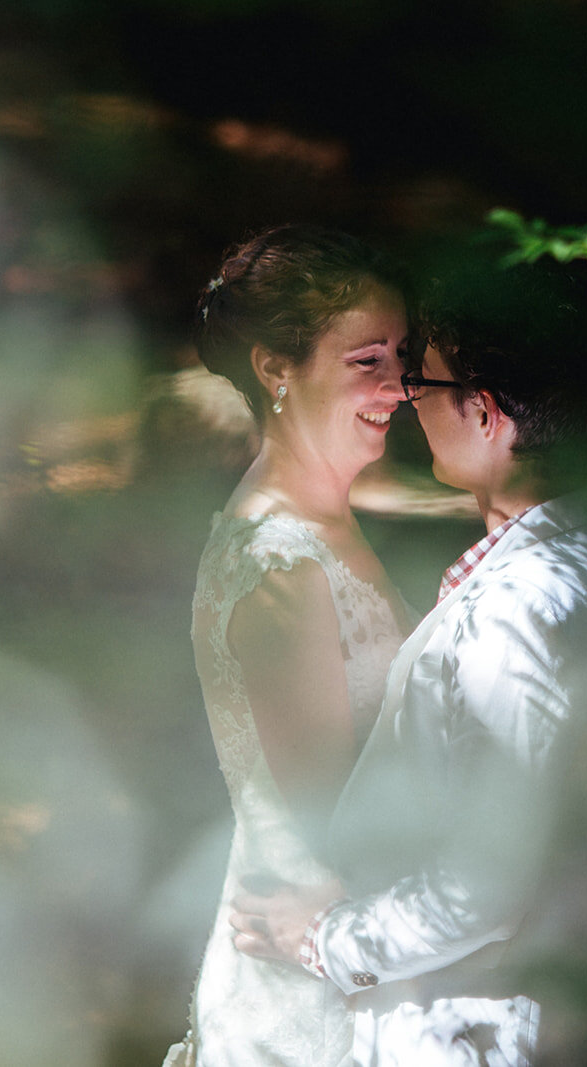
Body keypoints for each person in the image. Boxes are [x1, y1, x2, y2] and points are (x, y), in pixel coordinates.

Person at [230, 262, 587, 1066]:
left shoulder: (519, 608)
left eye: (424, 380)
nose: (407, 398)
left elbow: (486, 882)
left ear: (485, 412)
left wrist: (325, 937)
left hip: (491, 1024)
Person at [164, 225, 414, 1067]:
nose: (401, 387)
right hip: (307, 984)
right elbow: (334, 819)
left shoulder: (319, 522)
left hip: (348, 943)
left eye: (402, 356)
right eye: (367, 360)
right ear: (277, 367)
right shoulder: (281, 565)